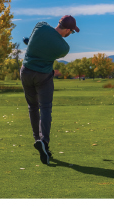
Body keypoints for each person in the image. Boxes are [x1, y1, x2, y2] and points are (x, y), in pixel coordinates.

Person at [20, 14, 79, 165]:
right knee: (45, 108)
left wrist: (31, 43)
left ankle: (37, 140)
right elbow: (50, 50)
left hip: (26, 72)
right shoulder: (64, 48)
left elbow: (35, 41)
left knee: (32, 107)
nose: (70, 35)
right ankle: (44, 142)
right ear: (67, 30)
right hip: (43, 76)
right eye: (71, 32)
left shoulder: (40, 26)